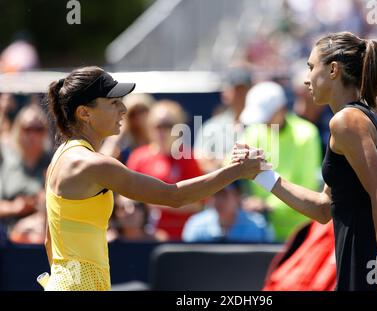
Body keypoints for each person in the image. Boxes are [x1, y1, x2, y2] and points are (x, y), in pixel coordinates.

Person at [44, 66, 263, 291]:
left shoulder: (60, 157)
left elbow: (49, 240)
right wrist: (235, 171)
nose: (123, 109)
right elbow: (174, 196)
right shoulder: (94, 164)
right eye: (113, 103)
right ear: (84, 113)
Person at [232, 32, 377, 291]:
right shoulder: (364, 121)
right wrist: (263, 174)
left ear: (333, 70)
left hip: (374, 275)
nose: (307, 78)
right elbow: (323, 209)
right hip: (376, 272)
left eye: (311, 67)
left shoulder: (346, 122)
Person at [239, 81, 322, 241]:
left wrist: (266, 205)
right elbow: (231, 167)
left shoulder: (306, 134)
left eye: (268, 115)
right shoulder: (254, 131)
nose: (265, 121)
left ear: (281, 109)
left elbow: (307, 185)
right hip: (259, 232)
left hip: (297, 231)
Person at [126, 100, 204, 240]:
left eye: (168, 125)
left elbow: (198, 204)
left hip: (181, 238)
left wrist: (154, 201)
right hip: (144, 239)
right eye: (157, 125)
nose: (162, 131)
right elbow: (126, 196)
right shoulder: (138, 157)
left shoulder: (187, 158)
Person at [0, 103, 51, 241]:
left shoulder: (52, 161)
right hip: (7, 231)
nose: (32, 135)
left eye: (38, 129)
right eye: (27, 128)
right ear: (18, 130)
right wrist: (14, 208)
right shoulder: (6, 159)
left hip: (42, 227)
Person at [194, 68, 252, 173]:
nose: (241, 95)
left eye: (244, 90)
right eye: (237, 90)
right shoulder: (211, 127)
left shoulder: (260, 126)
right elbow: (200, 161)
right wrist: (226, 163)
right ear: (226, 93)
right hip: (222, 187)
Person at [182, 182, 274, 243]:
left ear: (237, 196)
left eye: (223, 194)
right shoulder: (196, 224)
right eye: (215, 194)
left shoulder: (257, 226)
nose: (218, 200)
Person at [100, 93, 154, 164]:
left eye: (142, 111)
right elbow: (103, 161)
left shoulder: (160, 133)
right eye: (133, 114)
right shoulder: (124, 141)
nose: (138, 117)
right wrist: (120, 130)